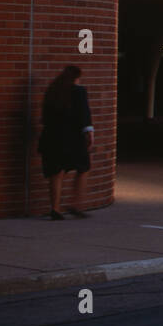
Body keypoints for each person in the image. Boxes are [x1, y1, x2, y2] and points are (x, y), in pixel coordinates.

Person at [38, 66, 94, 220]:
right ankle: (75, 204)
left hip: (51, 137)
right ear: (77, 77)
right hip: (72, 138)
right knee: (84, 167)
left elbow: (45, 117)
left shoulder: (53, 91)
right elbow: (84, 114)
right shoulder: (79, 91)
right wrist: (89, 133)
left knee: (56, 172)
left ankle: (55, 209)